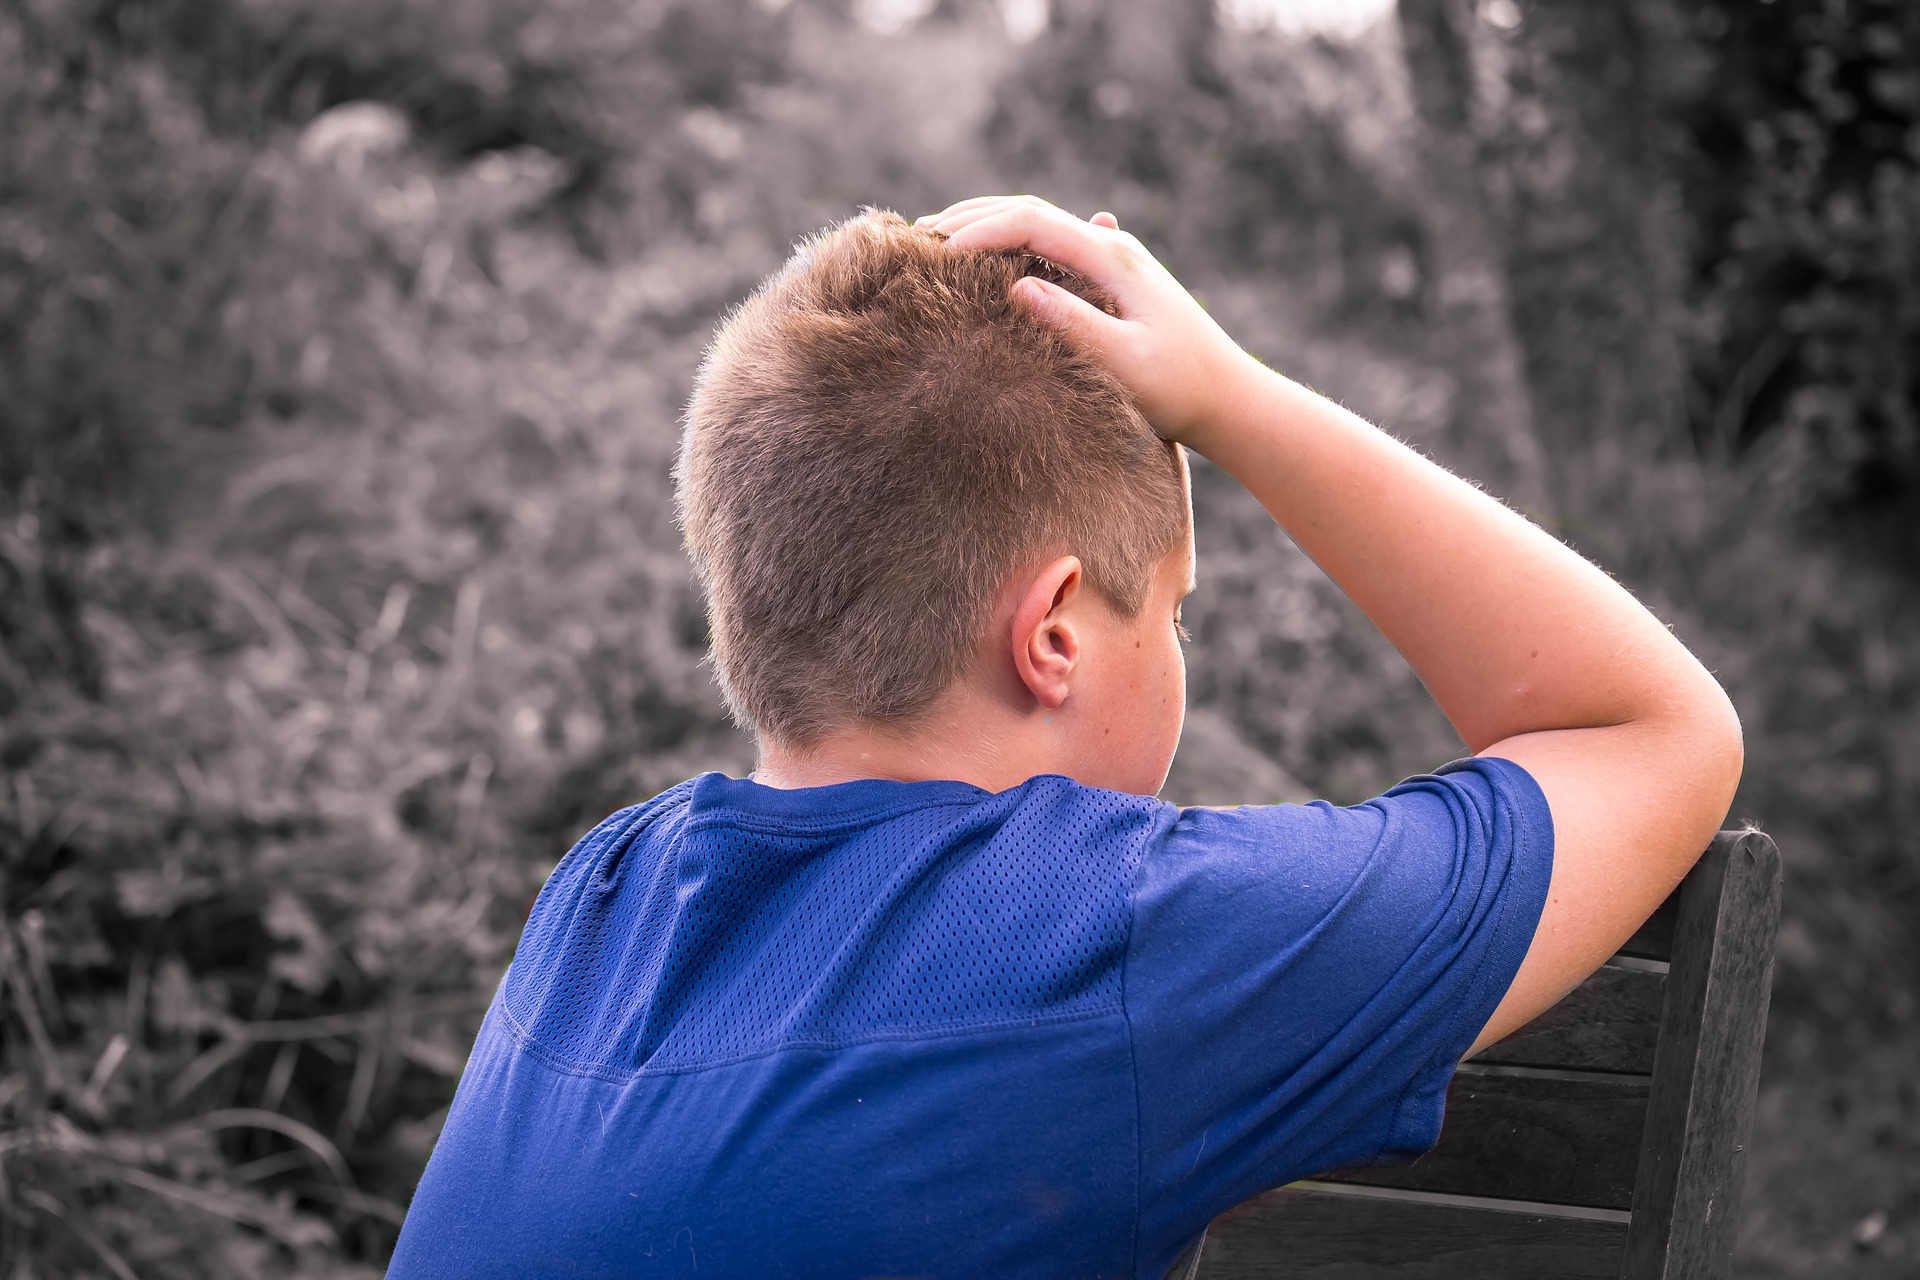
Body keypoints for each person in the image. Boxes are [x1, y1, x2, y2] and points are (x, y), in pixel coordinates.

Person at [386, 198, 1743, 1279]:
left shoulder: (603, 895)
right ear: (1053, 635)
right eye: (1171, 613)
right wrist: (1233, 399)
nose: (1179, 653)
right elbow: (1652, 731)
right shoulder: (1121, 941)